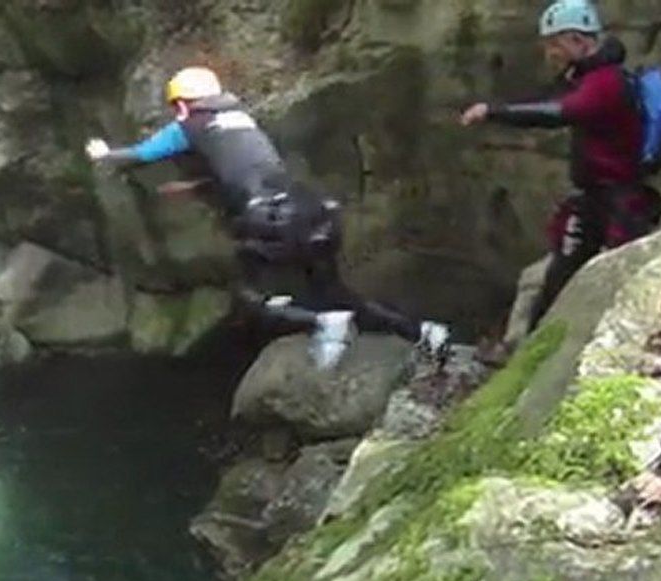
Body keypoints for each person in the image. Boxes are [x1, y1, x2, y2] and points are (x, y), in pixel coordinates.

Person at [85, 66, 451, 370]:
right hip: (314, 212)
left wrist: (104, 154)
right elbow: (243, 167)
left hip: (271, 221)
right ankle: (424, 332)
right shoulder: (241, 118)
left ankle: (323, 323)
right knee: (336, 292)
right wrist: (193, 187)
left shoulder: (189, 125)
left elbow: (142, 154)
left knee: (253, 297)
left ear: (181, 104)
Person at [460, 0, 661, 334]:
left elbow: (558, 112)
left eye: (554, 44)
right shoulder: (588, 76)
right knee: (559, 277)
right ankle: (534, 350)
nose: (549, 52)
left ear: (577, 41)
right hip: (594, 198)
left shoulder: (605, 82)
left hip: (620, 201)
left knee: (621, 281)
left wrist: (494, 111)